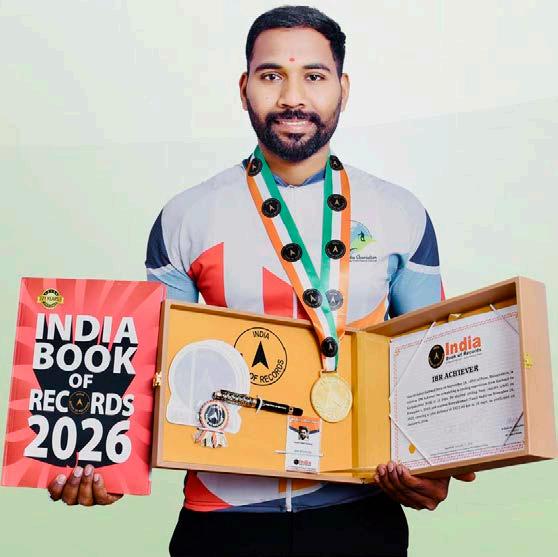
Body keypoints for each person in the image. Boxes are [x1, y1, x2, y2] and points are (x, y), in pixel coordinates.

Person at [47, 5, 475, 557]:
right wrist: (105, 464)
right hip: (221, 520)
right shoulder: (186, 217)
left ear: (343, 89)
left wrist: (437, 467)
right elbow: (154, 375)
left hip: (361, 512)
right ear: (244, 87)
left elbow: (432, 368)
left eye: (314, 76)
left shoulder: (402, 213)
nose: (293, 97)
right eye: (272, 75)